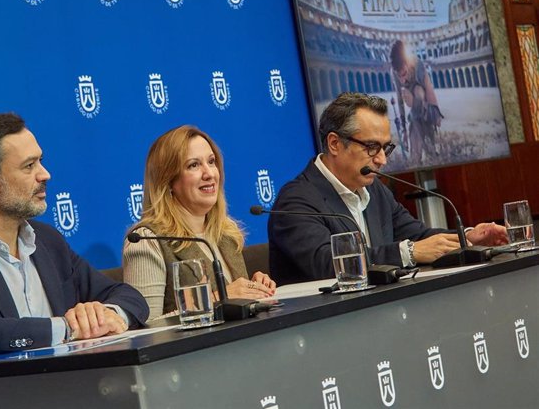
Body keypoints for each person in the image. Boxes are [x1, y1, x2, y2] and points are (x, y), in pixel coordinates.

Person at [0, 113, 149, 365]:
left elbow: (127, 296)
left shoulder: (48, 241)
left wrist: (108, 315)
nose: (45, 175)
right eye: (29, 166)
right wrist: (66, 328)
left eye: (40, 162)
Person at [268, 93, 507, 286]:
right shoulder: (296, 202)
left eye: (386, 148)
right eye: (372, 147)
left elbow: (418, 236)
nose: (382, 160)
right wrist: (408, 253)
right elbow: (329, 265)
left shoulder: (375, 190)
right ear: (335, 143)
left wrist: (466, 237)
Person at [122, 125, 276, 318]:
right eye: (193, 165)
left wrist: (255, 288)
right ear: (168, 181)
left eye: (211, 162)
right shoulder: (147, 241)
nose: (209, 173)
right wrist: (220, 297)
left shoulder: (226, 233)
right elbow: (145, 326)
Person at [390, 39, 443, 165]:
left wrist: (434, 113)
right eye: (399, 76)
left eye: (404, 74)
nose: (402, 80)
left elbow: (429, 90)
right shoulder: (394, 72)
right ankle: (417, 152)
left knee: (418, 91)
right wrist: (403, 129)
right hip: (413, 108)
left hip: (423, 100)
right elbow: (400, 100)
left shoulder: (418, 64)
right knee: (408, 100)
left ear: (408, 64)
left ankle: (430, 141)